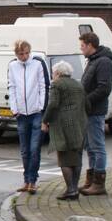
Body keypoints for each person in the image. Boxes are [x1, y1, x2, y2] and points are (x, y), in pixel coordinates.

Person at [41, 61, 88, 201]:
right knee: (76, 158)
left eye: (53, 73)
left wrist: (45, 120)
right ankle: (74, 189)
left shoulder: (57, 84)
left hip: (63, 125)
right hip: (80, 124)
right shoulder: (78, 84)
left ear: (58, 73)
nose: (52, 76)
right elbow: (87, 104)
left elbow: (53, 104)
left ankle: (71, 190)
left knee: (64, 159)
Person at [7, 40, 49, 194]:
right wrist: (14, 108)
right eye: (21, 54)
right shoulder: (12, 66)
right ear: (16, 54)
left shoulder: (38, 63)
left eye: (26, 53)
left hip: (36, 112)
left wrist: (41, 107)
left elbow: (44, 86)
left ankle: (32, 181)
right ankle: (26, 181)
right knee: (25, 150)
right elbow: (11, 87)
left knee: (34, 149)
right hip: (21, 114)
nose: (24, 56)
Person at [79, 31, 112, 196]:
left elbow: (104, 88)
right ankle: (91, 180)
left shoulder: (104, 62)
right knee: (90, 147)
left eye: (82, 45)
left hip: (95, 110)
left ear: (90, 45)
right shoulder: (93, 60)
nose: (81, 49)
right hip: (88, 110)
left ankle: (99, 183)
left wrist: (87, 100)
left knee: (97, 146)